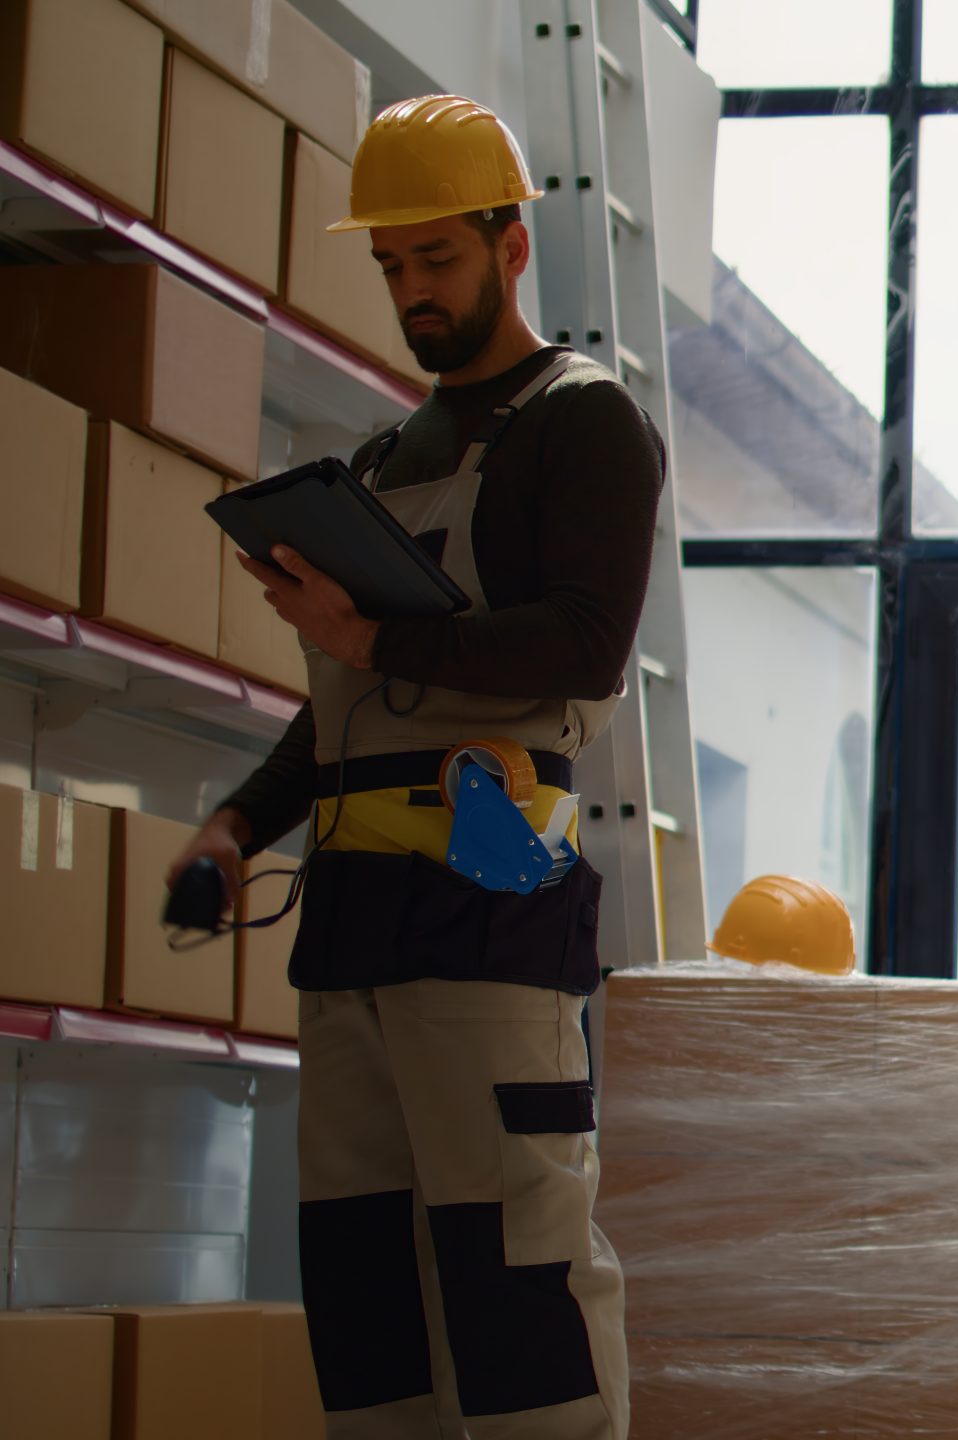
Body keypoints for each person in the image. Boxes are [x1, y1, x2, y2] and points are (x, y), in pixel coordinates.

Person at [166, 95, 661, 1440]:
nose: (411, 291)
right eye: (389, 265)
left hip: (487, 908)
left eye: (435, 257)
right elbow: (344, 706)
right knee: (369, 1297)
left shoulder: (585, 422)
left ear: (511, 246)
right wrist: (232, 826)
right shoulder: (385, 461)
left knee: (519, 1295)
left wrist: (370, 625)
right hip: (354, 930)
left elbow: (583, 645)